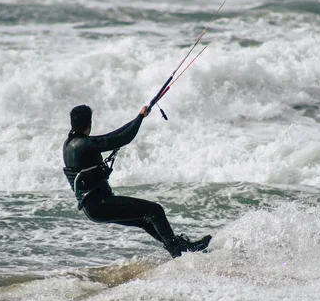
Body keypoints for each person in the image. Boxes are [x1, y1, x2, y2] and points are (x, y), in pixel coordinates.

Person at [63, 104, 212, 258]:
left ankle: (180, 247)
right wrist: (140, 118)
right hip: (99, 204)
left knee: (144, 220)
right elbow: (122, 138)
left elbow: (113, 136)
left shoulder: (71, 144)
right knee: (155, 210)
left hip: (93, 207)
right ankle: (177, 252)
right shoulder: (84, 145)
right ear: (89, 124)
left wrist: (138, 117)